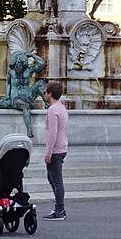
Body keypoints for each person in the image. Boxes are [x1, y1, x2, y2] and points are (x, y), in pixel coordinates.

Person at [43, 81, 68, 221]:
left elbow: (53, 133)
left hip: (56, 149)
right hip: (62, 147)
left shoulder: (52, 110)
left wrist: (48, 153)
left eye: (46, 92)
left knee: (56, 180)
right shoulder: (61, 108)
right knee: (52, 177)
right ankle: (60, 208)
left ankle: (59, 210)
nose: (45, 94)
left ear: (50, 93)